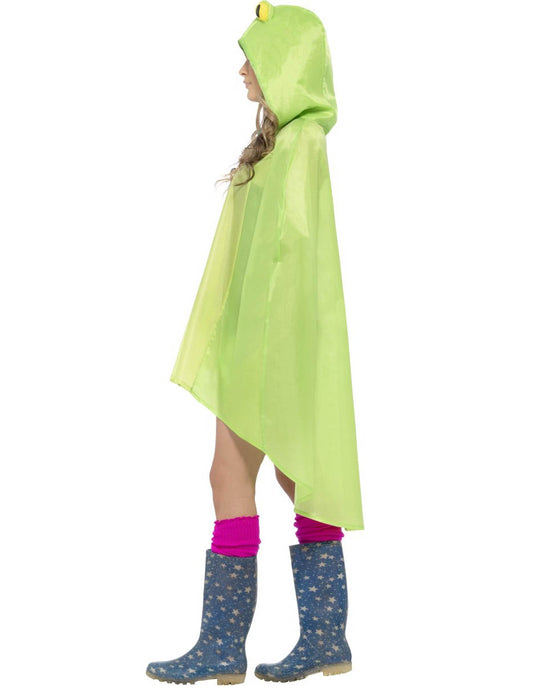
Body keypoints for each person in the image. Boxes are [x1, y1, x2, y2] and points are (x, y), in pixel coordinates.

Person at [146, 1, 364, 685]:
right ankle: (310, 641)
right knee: (270, 477)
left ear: (287, 65)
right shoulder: (283, 142)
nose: (243, 71)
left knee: (286, 478)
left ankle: (239, 646)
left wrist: (263, 355)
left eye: (254, 59)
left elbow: (292, 258)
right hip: (258, 343)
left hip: (273, 348)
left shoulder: (302, 143)